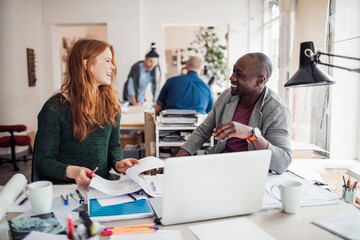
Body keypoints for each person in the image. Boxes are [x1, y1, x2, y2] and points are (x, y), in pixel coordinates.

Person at [34, 39, 139, 187]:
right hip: (66, 190)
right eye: (108, 61)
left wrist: (118, 163)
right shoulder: (54, 108)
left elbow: (113, 146)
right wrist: (74, 172)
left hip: (102, 186)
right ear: (86, 64)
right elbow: (43, 162)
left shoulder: (111, 105)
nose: (113, 67)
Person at [176, 53, 292, 174]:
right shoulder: (227, 96)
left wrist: (251, 134)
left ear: (259, 81)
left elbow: (282, 163)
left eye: (239, 75)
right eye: (233, 71)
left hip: (251, 173)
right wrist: (175, 165)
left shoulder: (277, 110)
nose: (232, 78)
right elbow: (202, 132)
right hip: (219, 166)